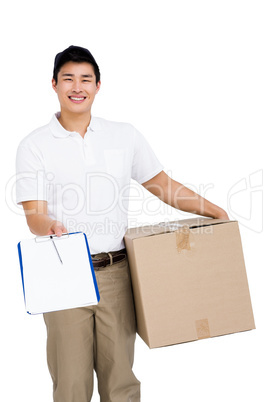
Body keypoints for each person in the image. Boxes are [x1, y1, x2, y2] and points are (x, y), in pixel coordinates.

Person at [16, 45, 229, 402]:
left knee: (121, 382)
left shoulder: (124, 135)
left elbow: (161, 184)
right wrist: (50, 226)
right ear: (54, 84)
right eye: (68, 78)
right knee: (71, 383)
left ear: (98, 85)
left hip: (117, 271)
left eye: (86, 79)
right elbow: (34, 214)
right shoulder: (34, 145)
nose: (77, 86)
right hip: (63, 272)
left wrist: (214, 212)